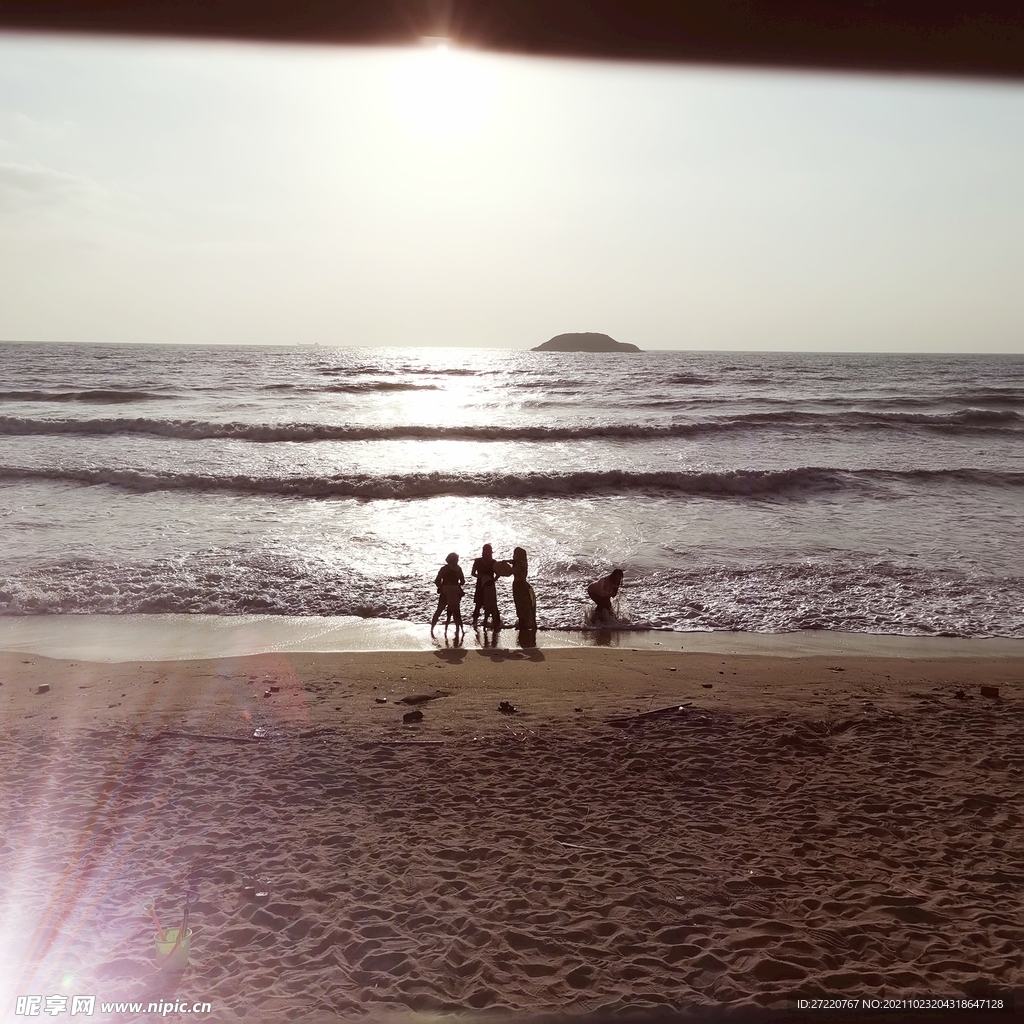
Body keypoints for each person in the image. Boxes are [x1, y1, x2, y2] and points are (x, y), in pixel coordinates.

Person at [431, 552, 465, 636]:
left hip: (445, 592)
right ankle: (458, 630)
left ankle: (432, 628)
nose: (457, 561)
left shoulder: (444, 569)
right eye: (456, 559)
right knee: (456, 611)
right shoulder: (458, 569)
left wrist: (442, 587)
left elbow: (437, 581)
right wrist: (457, 586)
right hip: (455, 593)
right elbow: (463, 581)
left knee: (439, 610)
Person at [471, 543, 501, 628]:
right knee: (478, 603)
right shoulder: (478, 561)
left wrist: (493, 580)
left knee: (492, 604)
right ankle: (475, 622)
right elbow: (473, 573)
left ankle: (496, 623)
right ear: (483, 551)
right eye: (486, 550)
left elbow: (499, 573)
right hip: (480, 585)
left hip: (490, 585)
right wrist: (480, 576)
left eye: (489, 551)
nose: (488, 552)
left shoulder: (494, 562)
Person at [511, 546, 537, 631]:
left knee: (521, 604)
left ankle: (524, 622)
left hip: (519, 585)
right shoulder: (521, 563)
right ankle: (525, 622)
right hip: (520, 584)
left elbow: (513, 571)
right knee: (522, 604)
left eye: (515, 554)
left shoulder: (520, 564)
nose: (513, 556)